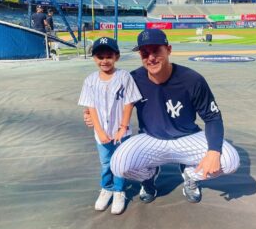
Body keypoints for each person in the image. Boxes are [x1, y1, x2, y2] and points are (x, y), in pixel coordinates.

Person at [84, 29, 240, 204]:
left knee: (230, 161)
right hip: (151, 138)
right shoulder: (133, 79)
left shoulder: (192, 79)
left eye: (156, 50)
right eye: (145, 53)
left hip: (187, 137)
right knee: (118, 165)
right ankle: (149, 177)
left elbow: (212, 117)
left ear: (169, 50)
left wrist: (213, 151)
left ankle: (190, 175)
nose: (151, 57)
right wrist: (88, 113)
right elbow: (108, 100)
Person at [78, 37, 142, 214]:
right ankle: (106, 188)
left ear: (117, 57)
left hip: (121, 131)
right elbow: (90, 107)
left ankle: (119, 191)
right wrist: (99, 130)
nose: (104, 61)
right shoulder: (90, 80)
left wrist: (122, 127)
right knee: (106, 163)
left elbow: (129, 103)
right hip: (102, 133)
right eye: (100, 56)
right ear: (94, 58)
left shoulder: (124, 76)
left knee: (120, 163)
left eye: (109, 56)